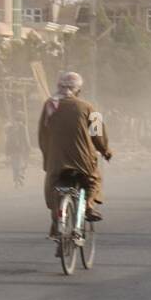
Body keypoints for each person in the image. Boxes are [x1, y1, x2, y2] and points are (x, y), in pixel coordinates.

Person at [38, 71, 112, 235]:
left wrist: (48, 158)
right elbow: (98, 135)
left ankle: (57, 223)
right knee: (94, 179)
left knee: (53, 187)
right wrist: (106, 151)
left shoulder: (49, 105)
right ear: (78, 90)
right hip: (83, 161)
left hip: (56, 161)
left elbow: (42, 135)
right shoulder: (89, 107)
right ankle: (89, 206)